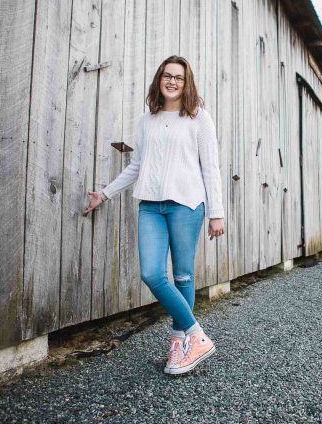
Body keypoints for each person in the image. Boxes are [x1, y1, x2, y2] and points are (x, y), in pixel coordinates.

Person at [82, 55, 225, 375]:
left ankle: (179, 344)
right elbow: (137, 166)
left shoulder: (199, 117)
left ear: (187, 83)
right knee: (152, 273)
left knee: (184, 275)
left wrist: (217, 213)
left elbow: (210, 167)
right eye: (167, 75)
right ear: (159, 80)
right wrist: (104, 194)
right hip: (150, 206)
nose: (172, 81)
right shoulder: (147, 119)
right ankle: (196, 336)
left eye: (179, 77)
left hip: (187, 205)